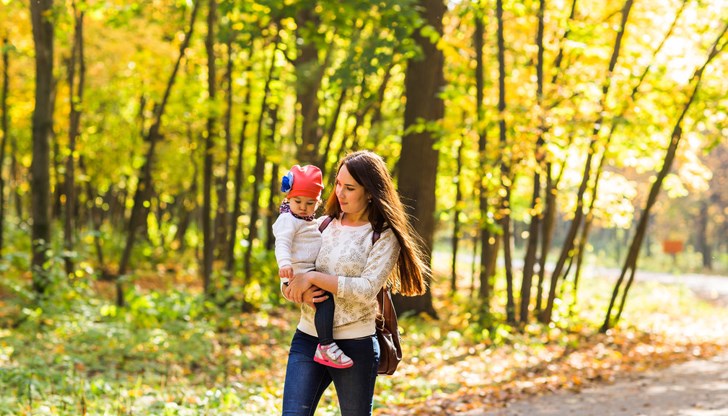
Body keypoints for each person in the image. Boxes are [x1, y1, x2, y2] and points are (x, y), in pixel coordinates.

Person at [281, 150, 429, 416]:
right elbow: (293, 271)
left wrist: (313, 278)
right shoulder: (321, 225)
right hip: (308, 338)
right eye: (338, 184)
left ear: (370, 192)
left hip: (355, 344)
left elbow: (366, 289)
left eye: (349, 187)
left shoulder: (382, 236)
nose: (340, 193)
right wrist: (292, 290)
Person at [273, 164, 354, 369]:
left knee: (323, 301)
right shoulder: (288, 220)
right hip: (296, 270)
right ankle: (326, 345)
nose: (302, 206)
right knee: (325, 302)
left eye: (309, 203)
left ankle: (326, 344)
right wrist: (284, 264)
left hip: (306, 270)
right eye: (297, 201)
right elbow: (282, 243)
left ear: (317, 203)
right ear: (288, 199)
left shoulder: (308, 221)